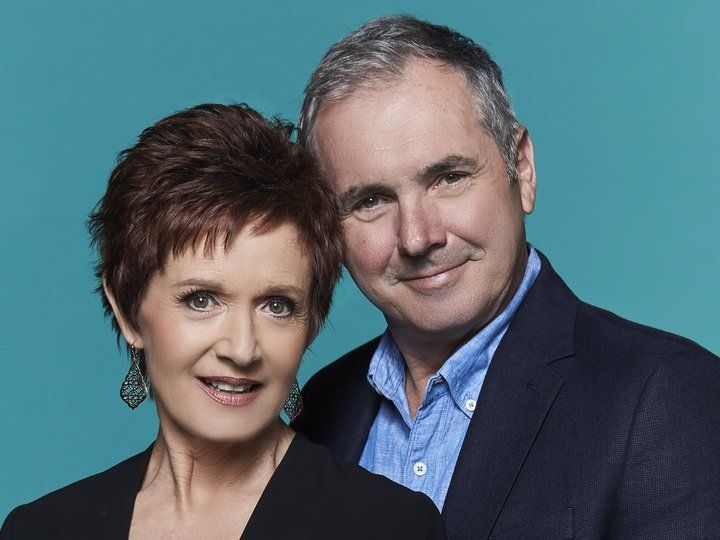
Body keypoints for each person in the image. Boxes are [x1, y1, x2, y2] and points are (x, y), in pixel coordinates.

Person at [292, 15, 720, 539]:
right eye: (371, 201)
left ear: (522, 168)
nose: (418, 237)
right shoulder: (320, 407)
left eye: (448, 178)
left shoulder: (667, 396)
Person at [0, 104, 445, 539]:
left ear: (311, 322)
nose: (242, 348)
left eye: (277, 306)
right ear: (128, 312)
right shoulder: (40, 529)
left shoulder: (388, 526)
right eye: (201, 300)